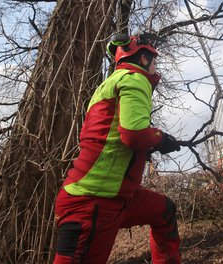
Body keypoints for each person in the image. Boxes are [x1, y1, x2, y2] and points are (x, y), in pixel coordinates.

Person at [53, 33, 182, 264]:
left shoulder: (111, 83)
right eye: (154, 60)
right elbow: (132, 134)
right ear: (143, 59)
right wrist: (160, 139)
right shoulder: (135, 78)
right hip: (93, 200)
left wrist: (146, 148)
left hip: (120, 195)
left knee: (165, 211)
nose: (155, 65)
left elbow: (109, 137)